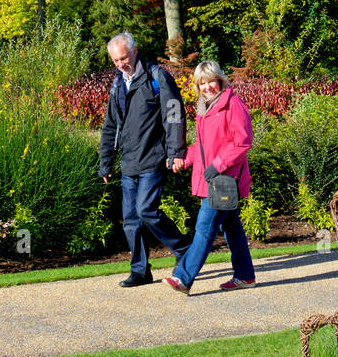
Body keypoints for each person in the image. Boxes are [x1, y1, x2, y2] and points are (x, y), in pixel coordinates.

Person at [99, 32, 190, 287]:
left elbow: (174, 115)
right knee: (130, 219)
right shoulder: (118, 84)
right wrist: (105, 162)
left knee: (146, 210)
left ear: (135, 51)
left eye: (124, 58)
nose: (121, 64)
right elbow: (110, 126)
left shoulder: (156, 76)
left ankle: (183, 250)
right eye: (116, 60)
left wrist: (176, 152)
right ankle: (140, 270)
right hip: (128, 162)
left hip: (153, 158)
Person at [163, 61, 256, 294]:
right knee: (232, 227)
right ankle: (245, 276)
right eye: (202, 83)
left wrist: (219, 164)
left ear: (220, 80)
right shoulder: (206, 107)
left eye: (211, 81)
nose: (207, 87)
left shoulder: (232, 104)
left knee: (204, 227)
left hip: (225, 179)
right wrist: (183, 160)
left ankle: (183, 277)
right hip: (214, 179)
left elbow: (242, 142)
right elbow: (204, 147)